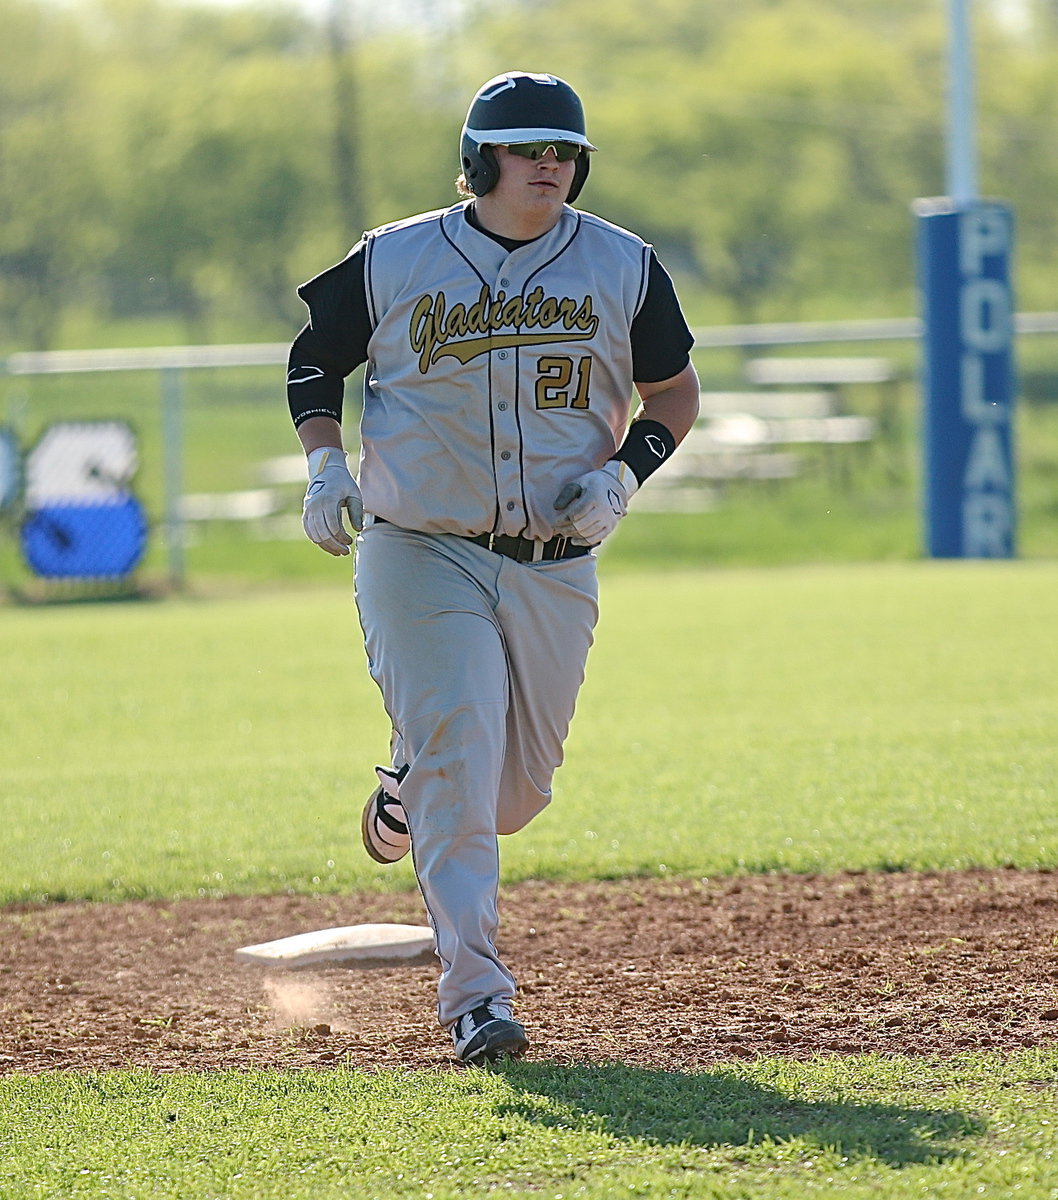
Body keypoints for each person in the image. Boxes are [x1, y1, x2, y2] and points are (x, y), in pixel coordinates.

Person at [287, 70, 700, 1066]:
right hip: (416, 545)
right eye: (527, 149)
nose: (547, 166)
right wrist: (323, 462)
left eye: (562, 151)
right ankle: (476, 997)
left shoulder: (619, 264)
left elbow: (673, 394)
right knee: (462, 763)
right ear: (481, 160)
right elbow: (313, 360)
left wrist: (624, 476)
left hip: (554, 559)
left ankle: (406, 782)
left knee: (511, 795)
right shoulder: (394, 258)